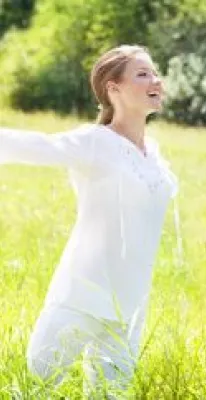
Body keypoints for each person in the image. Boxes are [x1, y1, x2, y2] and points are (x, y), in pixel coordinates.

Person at [0, 44, 180, 397]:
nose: (155, 80)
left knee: (110, 396)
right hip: (81, 293)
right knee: (36, 387)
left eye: (155, 72)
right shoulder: (95, 142)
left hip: (128, 305)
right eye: (142, 74)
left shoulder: (154, 153)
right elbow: (36, 146)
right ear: (113, 89)